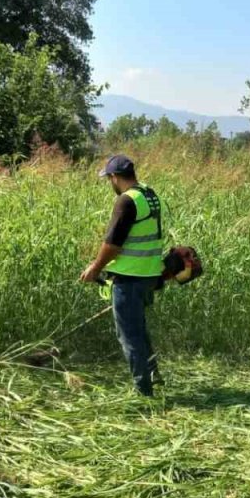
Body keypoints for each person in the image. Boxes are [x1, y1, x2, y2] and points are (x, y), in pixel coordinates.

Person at [79, 155, 164, 396]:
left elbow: (113, 244)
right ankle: (153, 376)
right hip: (149, 275)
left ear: (115, 177)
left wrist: (95, 268)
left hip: (129, 279)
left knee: (129, 336)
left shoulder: (126, 201)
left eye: (109, 179)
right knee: (140, 331)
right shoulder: (149, 194)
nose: (110, 184)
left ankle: (143, 391)